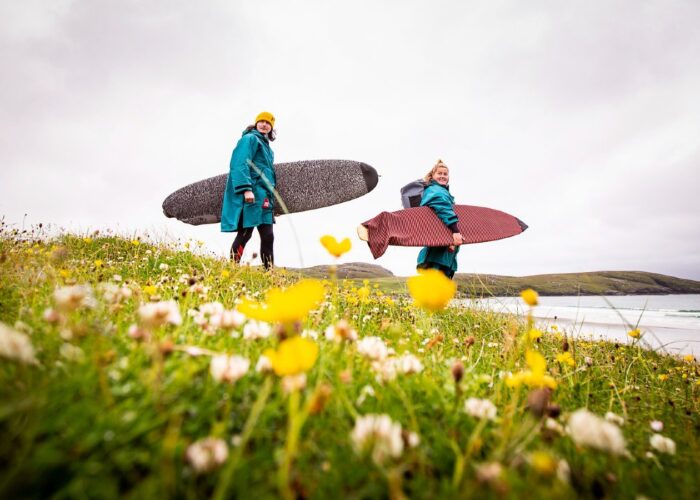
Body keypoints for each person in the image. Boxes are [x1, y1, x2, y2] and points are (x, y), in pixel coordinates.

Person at [221, 111, 277, 269]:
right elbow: (239, 164)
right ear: (256, 123)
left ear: (271, 127)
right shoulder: (249, 139)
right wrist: (246, 190)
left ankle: (270, 273)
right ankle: (232, 268)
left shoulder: (267, 148)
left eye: (268, 123)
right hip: (252, 194)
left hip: (265, 196)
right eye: (262, 121)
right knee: (245, 233)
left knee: (268, 236)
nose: (264, 124)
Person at [416, 159, 463, 279]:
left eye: (445, 174)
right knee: (434, 293)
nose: (442, 176)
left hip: (444, 253)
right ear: (432, 175)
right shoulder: (435, 191)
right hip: (437, 254)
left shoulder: (441, 191)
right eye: (439, 173)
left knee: (440, 294)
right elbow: (443, 209)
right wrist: (455, 231)